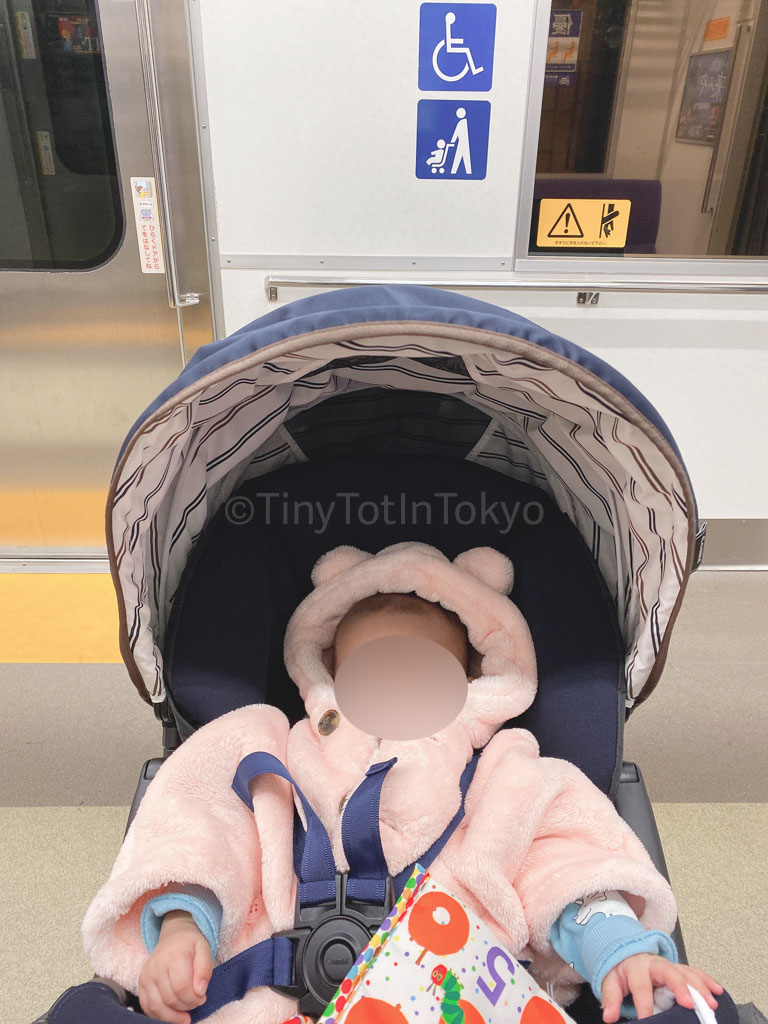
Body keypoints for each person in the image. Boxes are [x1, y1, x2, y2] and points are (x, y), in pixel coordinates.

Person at [82, 544, 724, 1024]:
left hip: (453, 996)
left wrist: (617, 946)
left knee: (696, 1010)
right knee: (85, 1011)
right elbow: (204, 828)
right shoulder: (268, 746)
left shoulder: (504, 771)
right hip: (277, 994)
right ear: (326, 675)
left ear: (472, 682)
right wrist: (183, 925)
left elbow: (566, 858)